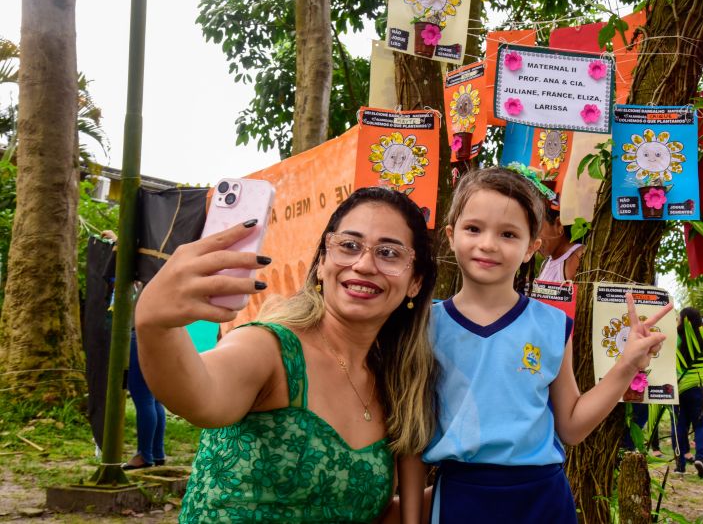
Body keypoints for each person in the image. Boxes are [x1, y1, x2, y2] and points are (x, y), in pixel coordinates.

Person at [134, 187, 438, 522]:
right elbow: (200, 396)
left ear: (415, 282)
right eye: (349, 246)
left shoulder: (394, 385)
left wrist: (489, 486)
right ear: (322, 262)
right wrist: (155, 323)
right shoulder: (270, 348)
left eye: (389, 253)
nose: (364, 264)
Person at [406, 167, 672, 523]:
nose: (488, 243)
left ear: (531, 247)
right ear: (451, 236)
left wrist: (626, 366)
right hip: (461, 497)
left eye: (508, 234)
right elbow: (410, 441)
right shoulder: (425, 327)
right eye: (474, 228)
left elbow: (572, 427)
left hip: (543, 499)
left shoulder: (551, 325)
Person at [99, 230, 166, 470]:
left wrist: (119, 240)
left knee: (142, 396)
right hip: (159, 337)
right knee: (155, 397)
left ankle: (144, 456)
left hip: (139, 335)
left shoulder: (147, 271)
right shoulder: (163, 267)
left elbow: (133, 260)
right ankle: (157, 453)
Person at [671, 307, 703, 478]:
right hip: (699, 387)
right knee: (701, 425)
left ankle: (680, 465)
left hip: (679, 387)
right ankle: (700, 458)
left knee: (679, 425)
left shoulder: (675, 338)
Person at [536, 208, 585, 282]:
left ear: (559, 225)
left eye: (537, 229)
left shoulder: (578, 256)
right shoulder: (546, 263)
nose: (534, 239)